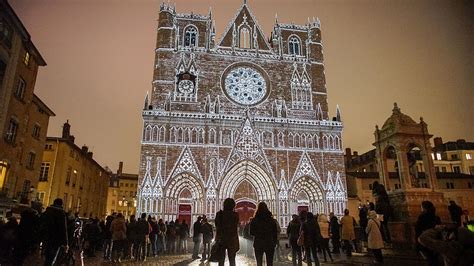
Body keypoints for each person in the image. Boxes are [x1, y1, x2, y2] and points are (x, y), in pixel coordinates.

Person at [40, 198, 68, 266]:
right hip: (56, 239)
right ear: (61, 204)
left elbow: (41, 224)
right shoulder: (61, 214)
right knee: (51, 257)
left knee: (47, 255)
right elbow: (63, 229)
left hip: (46, 237)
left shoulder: (47, 212)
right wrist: (65, 243)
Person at [215, 198, 240, 266]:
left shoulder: (219, 214)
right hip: (232, 240)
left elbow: (217, 225)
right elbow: (237, 225)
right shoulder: (235, 215)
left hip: (221, 239)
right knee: (232, 260)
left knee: (221, 261)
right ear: (233, 205)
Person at [415, 201, 441, 266]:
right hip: (435, 240)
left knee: (429, 259)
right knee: (434, 259)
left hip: (425, 240)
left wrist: (417, 243)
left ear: (424, 208)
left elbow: (418, 229)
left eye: (421, 207)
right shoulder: (436, 217)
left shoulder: (422, 217)